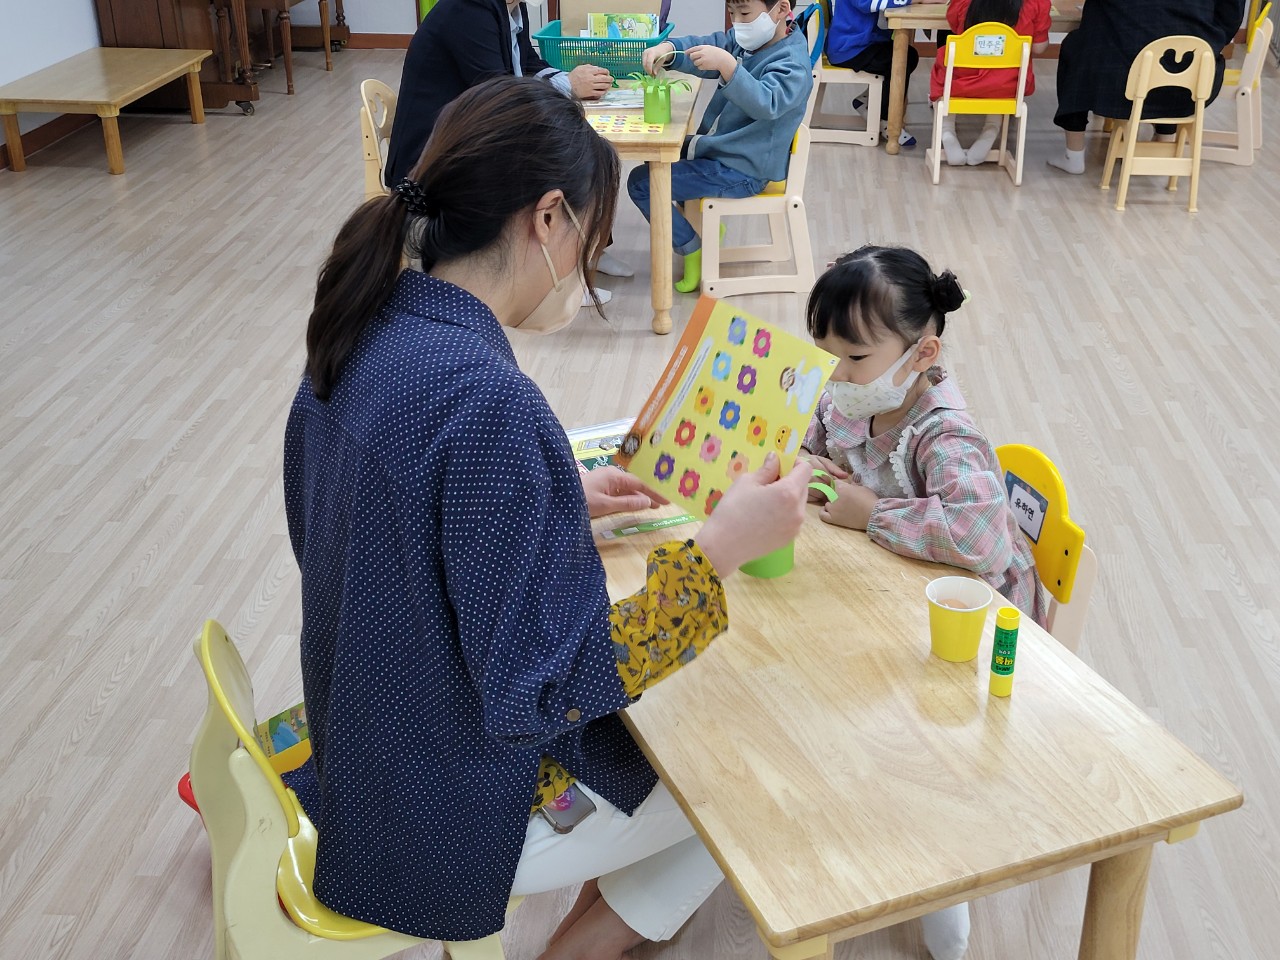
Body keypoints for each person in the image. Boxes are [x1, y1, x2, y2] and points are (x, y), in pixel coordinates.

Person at [283, 75, 813, 960]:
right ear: (548, 217)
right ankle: (582, 948)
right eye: (592, 242)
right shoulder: (486, 400)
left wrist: (548, 505)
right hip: (442, 813)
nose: (586, 268)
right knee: (743, 773)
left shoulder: (362, 327)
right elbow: (551, 686)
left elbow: (378, 532)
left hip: (368, 746)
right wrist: (718, 551)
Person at [800, 245, 1046, 628]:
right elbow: (805, 435)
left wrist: (873, 514)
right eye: (825, 353)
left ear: (922, 355)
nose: (834, 373)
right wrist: (803, 464)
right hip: (891, 579)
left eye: (856, 357)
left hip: (976, 619)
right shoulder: (848, 397)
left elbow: (982, 542)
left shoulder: (946, 437)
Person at [382, 0, 632, 298]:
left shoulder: (511, 7)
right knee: (561, 162)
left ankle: (587, 253)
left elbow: (527, 64)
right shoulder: (469, 10)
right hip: (435, 158)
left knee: (584, 148)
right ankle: (562, 280)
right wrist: (568, 85)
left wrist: (570, 81)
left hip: (472, 137)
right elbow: (498, 91)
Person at [629, 0, 811, 294]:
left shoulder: (792, 63)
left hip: (744, 170)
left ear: (780, 10)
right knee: (659, 161)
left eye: (745, 13)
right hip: (727, 154)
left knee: (642, 184)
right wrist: (670, 50)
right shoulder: (751, 41)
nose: (737, 22)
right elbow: (709, 45)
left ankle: (692, 248)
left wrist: (728, 66)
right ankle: (703, 230)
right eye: (731, 13)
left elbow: (767, 103)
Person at [1050, 0, 1247, 174]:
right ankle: (1164, 141)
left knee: (1076, 47)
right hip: (1193, 84)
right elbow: (1230, 17)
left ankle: (1074, 154)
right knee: (1177, 52)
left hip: (1119, 79)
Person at [929, 0, 1051, 166]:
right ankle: (991, 131)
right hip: (1009, 86)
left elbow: (955, 27)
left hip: (961, 84)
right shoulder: (1038, 3)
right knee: (1000, 77)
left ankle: (947, 131)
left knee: (945, 69)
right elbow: (1038, 48)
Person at [824, 0, 920, 148]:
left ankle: (866, 101)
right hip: (849, 48)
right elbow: (867, 3)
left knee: (907, 56)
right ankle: (886, 121)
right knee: (901, 59)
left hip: (859, 42)